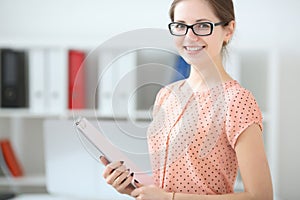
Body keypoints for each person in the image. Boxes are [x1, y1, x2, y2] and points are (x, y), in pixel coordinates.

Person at [100, 0, 273, 199]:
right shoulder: (166, 95)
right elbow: (168, 184)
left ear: (228, 30)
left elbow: (262, 196)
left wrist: (170, 199)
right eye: (181, 26)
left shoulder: (237, 101)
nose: (189, 37)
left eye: (202, 26)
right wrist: (135, 188)